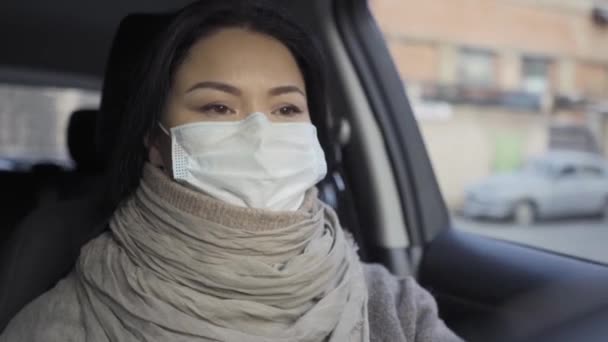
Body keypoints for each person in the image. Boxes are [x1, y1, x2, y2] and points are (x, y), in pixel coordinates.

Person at [0, 0, 462, 341]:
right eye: (218, 106)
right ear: (156, 141)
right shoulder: (63, 323)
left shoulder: (394, 308)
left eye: (285, 108)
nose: (259, 133)